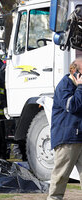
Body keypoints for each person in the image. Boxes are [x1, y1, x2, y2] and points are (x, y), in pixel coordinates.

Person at [47, 58, 82, 200]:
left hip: (79, 136)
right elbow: (72, 106)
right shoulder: (65, 85)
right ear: (76, 73)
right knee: (60, 177)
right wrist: (80, 87)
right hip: (67, 138)